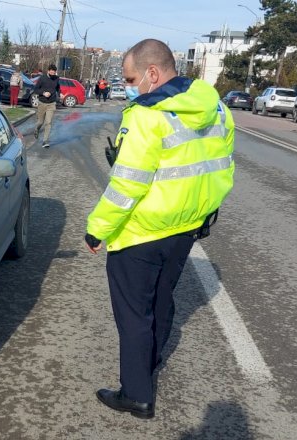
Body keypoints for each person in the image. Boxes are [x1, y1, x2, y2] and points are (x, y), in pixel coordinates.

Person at [85, 39, 234, 419]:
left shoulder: (146, 115)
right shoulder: (216, 108)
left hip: (140, 232)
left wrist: (97, 229)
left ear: (153, 73)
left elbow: (128, 184)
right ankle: (146, 367)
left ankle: (136, 394)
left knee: (135, 314)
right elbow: (221, 166)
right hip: (185, 229)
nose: (130, 86)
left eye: (132, 78)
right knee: (161, 302)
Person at [33, 64, 63, 148]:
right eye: (52, 71)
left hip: (52, 103)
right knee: (40, 122)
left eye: (54, 71)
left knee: (48, 122)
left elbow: (58, 88)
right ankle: (36, 129)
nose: (53, 72)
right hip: (42, 103)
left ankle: (45, 141)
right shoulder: (42, 78)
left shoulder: (57, 78)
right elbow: (35, 89)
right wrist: (43, 93)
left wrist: (60, 94)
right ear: (48, 70)